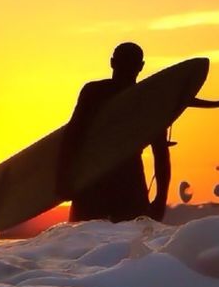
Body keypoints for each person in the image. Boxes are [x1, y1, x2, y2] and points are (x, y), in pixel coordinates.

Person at [55, 42, 170, 222]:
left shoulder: (95, 92)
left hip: (100, 184)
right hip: (119, 185)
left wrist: (64, 178)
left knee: (84, 245)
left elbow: (72, 138)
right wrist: (160, 199)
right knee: (129, 246)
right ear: (141, 66)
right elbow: (161, 154)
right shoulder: (147, 100)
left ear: (112, 62)